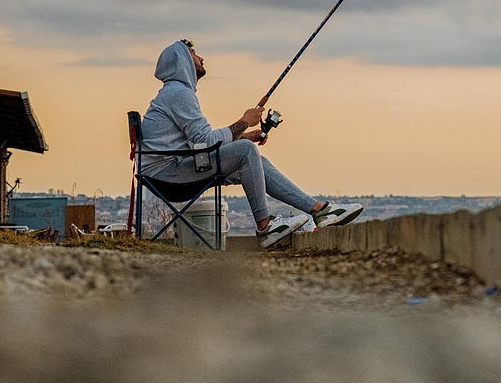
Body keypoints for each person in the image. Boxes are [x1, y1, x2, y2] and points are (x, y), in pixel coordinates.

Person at [139, 39, 362, 248]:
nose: (201, 58)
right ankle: (265, 227)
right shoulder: (179, 94)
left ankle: (319, 210)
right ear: (183, 61)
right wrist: (245, 122)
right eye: (194, 54)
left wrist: (243, 136)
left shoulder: (175, 94)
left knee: (255, 159)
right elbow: (206, 141)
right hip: (167, 176)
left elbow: (200, 142)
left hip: (172, 169)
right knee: (246, 153)